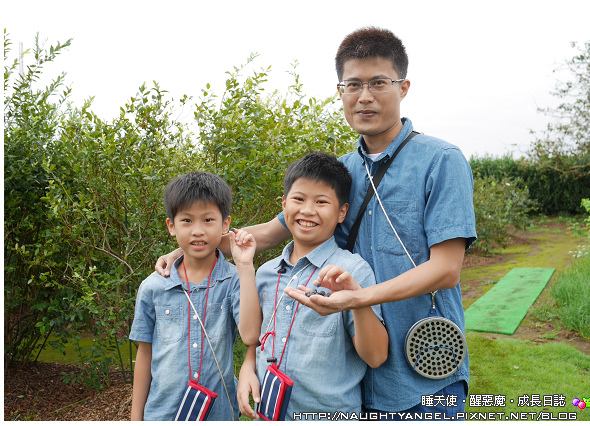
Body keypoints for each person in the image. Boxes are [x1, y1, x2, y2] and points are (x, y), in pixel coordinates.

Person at [156, 27, 477, 419]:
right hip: (351, 376)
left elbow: (446, 269)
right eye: (353, 84)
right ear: (340, 90)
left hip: (423, 369)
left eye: (378, 83)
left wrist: (357, 298)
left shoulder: (441, 161)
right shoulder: (339, 172)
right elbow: (269, 233)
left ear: (403, 86)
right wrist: (192, 243)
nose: (364, 96)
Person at [239, 151, 388, 420]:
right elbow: (255, 338)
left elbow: (376, 356)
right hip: (268, 413)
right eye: (298, 199)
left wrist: (356, 300)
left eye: (321, 202)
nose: (307, 210)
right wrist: (247, 368)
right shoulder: (266, 273)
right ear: (284, 205)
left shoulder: (351, 272)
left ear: (342, 212)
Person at [130, 171, 261, 421]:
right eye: (187, 221)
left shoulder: (234, 281)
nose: (198, 231)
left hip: (218, 413)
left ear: (225, 225)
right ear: (171, 226)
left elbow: (250, 335)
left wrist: (245, 268)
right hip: (162, 414)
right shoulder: (153, 287)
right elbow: (144, 354)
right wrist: (136, 419)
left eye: (208, 220)